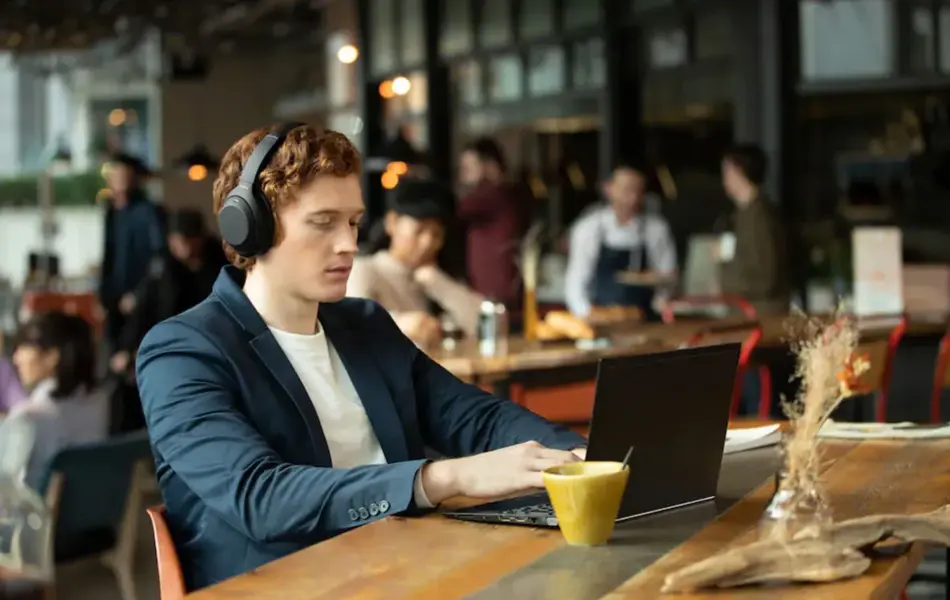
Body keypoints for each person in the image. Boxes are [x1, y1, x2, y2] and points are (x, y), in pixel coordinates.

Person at [135, 124, 587, 592]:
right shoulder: (182, 352)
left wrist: (584, 458)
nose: (349, 243)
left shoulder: (364, 325)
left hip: (406, 572)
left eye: (352, 222)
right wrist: (444, 478)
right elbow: (260, 497)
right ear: (251, 226)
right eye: (323, 221)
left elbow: (478, 419)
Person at [347, 180, 483, 347]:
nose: (428, 242)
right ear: (392, 223)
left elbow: (485, 323)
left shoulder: (434, 277)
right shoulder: (364, 269)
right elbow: (351, 326)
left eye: (436, 234)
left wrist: (438, 283)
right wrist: (401, 324)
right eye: (420, 230)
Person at [110, 208, 227, 374]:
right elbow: (144, 307)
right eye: (177, 240)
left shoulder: (221, 263)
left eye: (188, 238)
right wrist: (127, 348)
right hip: (171, 342)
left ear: (201, 238)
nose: (182, 245)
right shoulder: (163, 266)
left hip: (213, 342)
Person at [564, 162, 677, 321]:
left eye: (638, 191)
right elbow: (575, 284)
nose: (633, 198)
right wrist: (586, 314)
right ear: (608, 189)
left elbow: (667, 278)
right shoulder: (588, 228)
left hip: (646, 319)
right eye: (626, 190)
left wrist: (660, 304)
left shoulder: (656, 229)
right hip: (600, 318)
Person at [9, 312, 109, 489]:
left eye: (23, 348)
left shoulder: (27, 417)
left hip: (34, 514)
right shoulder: (101, 403)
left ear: (51, 357)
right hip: (96, 513)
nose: (16, 358)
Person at [98, 153, 167, 352]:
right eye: (115, 174)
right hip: (113, 298)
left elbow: (159, 258)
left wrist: (138, 294)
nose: (118, 179)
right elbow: (108, 256)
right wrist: (102, 296)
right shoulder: (111, 212)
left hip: (141, 299)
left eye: (124, 174)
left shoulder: (150, 211)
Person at [717, 144, 789, 316]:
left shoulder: (758, 216)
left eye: (727, 171)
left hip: (759, 316)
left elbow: (765, 277)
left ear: (739, 171)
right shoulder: (745, 213)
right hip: (749, 313)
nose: (724, 179)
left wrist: (725, 277)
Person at [457, 138, 528, 308]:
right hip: (499, 291)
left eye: (469, 167)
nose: (463, 174)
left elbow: (453, 209)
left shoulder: (495, 195)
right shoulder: (507, 194)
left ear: (489, 166)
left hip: (497, 295)